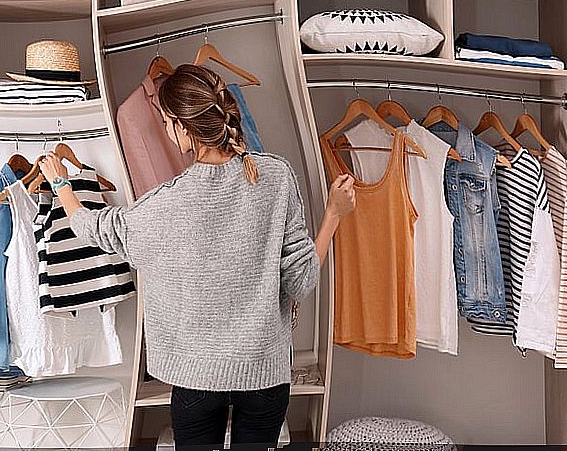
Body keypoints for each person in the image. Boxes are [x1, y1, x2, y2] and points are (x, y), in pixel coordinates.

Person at [40, 64, 355, 449]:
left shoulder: (162, 204)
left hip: (195, 378)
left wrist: (61, 185)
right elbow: (300, 281)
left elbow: (94, 228)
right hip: (265, 374)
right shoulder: (277, 177)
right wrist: (334, 214)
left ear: (179, 127)